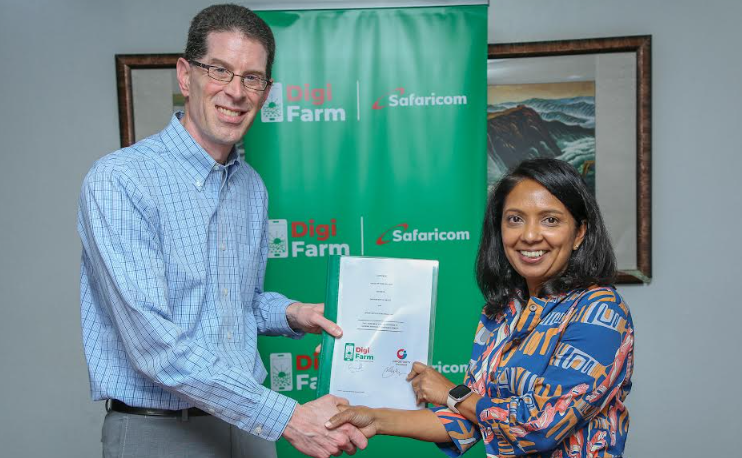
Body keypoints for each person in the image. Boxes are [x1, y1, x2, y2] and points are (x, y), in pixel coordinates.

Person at [78, 4, 365, 458]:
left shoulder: (251, 187)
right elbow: (157, 347)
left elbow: (237, 303)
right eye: (220, 71)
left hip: (247, 428)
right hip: (161, 433)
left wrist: (294, 314)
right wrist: (287, 416)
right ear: (185, 75)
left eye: (252, 78)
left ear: (266, 91)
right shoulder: (121, 181)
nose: (236, 92)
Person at [327, 158, 635, 457]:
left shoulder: (601, 311)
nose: (529, 235)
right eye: (515, 219)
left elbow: (540, 428)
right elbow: (470, 419)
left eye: (550, 219)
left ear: (579, 233)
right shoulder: (501, 312)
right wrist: (374, 418)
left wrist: (453, 393)